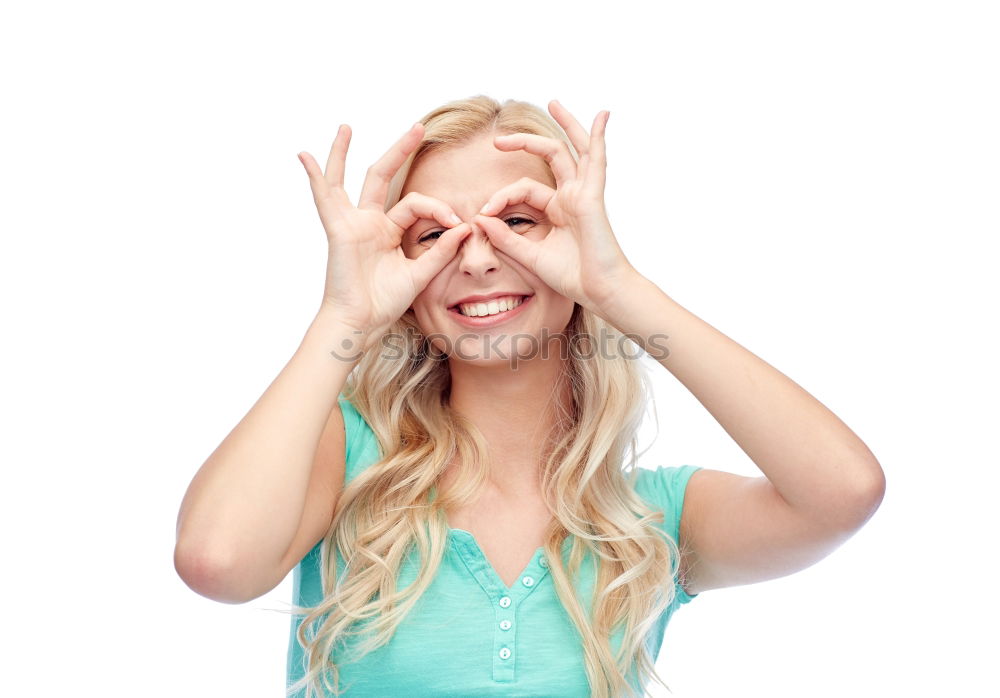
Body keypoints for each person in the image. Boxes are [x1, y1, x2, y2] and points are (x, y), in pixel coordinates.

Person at [174, 95, 886, 698]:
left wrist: (620, 289)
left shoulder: (648, 524)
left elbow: (844, 491)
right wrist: (344, 319)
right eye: (434, 235)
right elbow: (216, 562)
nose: (478, 257)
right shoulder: (344, 457)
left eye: (516, 223)